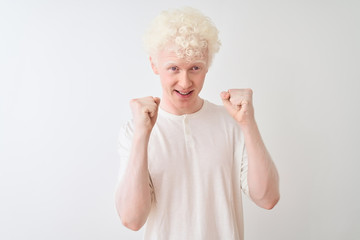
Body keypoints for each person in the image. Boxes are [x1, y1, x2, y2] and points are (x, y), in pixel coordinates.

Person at [114, 7, 280, 240]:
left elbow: (268, 198)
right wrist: (143, 134)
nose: (185, 82)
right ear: (154, 65)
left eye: (195, 68)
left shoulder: (231, 123)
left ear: (207, 65)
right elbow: (132, 220)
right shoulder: (135, 130)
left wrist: (248, 124)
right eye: (173, 68)